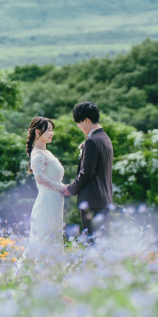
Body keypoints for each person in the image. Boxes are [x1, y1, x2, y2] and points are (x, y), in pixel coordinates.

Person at [61, 102, 113, 239]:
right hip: (104, 200)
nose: (79, 126)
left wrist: (71, 188)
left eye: (79, 122)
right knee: (100, 242)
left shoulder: (92, 141)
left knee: (92, 242)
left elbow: (87, 172)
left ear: (87, 120)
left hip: (92, 200)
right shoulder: (105, 139)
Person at [24, 116, 65, 258]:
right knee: (44, 240)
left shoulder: (47, 153)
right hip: (46, 203)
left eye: (52, 130)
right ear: (37, 132)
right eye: (49, 130)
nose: (51, 133)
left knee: (54, 238)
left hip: (55, 203)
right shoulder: (37, 154)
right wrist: (61, 188)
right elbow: (40, 179)